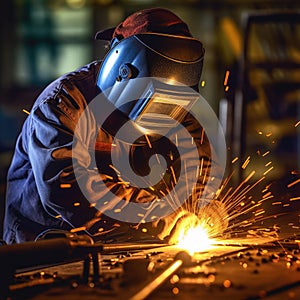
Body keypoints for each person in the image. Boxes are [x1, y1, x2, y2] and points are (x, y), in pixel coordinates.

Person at [3, 7, 226, 244]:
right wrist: (162, 219)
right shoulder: (64, 105)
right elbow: (68, 190)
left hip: (125, 250)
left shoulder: (178, 108)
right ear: (123, 68)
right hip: (45, 252)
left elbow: (197, 172)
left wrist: (202, 209)